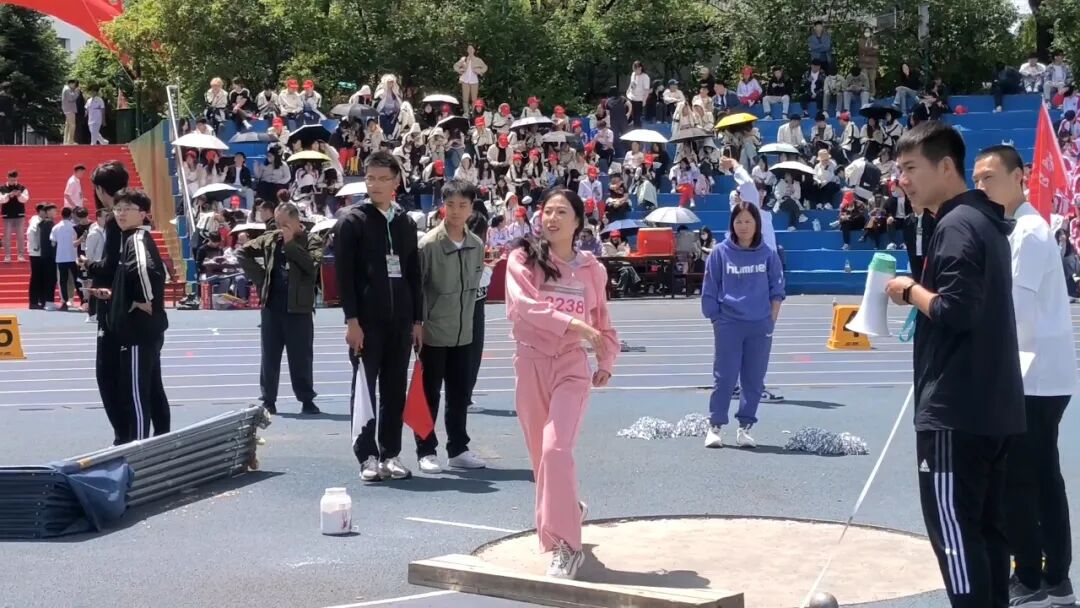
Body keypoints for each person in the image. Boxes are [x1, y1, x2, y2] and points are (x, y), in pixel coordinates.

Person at [884, 122, 1025, 608]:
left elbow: (956, 310)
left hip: (955, 411)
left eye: (910, 168)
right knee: (987, 533)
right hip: (992, 407)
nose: (902, 180)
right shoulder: (984, 221)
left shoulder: (958, 224)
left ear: (946, 167)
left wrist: (910, 291)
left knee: (956, 538)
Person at [972, 145, 1077, 608]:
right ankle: (1053, 578)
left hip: (1032, 375)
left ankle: (1033, 577)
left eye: (990, 177)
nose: (982, 186)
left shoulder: (1029, 232)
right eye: (978, 179)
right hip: (1038, 374)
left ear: (1020, 177)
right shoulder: (1017, 228)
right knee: (1041, 476)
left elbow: (1015, 310)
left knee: (1021, 479)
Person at [505, 188, 618, 579]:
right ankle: (569, 508)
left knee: (556, 450)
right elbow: (525, 307)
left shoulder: (592, 269)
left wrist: (606, 360)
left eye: (561, 212)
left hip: (571, 366)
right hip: (531, 364)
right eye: (547, 211)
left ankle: (568, 547)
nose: (551, 218)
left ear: (578, 222)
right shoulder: (522, 259)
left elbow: (601, 321)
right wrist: (574, 324)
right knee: (542, 459)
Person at [335, 151, 423, 482]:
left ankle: (390, 454)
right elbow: (344, 277)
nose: (375, 185)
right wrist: (352, 321)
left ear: (396, 181)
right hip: (366, 323)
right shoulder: (352, 222)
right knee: (364, 389)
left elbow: (414, 274)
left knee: (395, 389)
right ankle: (366, 456)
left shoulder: (405, 223)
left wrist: (417, 321)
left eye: (383, 178)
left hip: (400, 323)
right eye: (370, 178)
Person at [414, 180, 487, 474]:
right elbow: (416, 289)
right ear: (442, 206)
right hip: (433, 333)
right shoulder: (428, 245)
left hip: (464, 333)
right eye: (451, 204)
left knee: (459, 394)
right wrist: (417, 324)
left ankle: (458, 449)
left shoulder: (476, 245)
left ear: (471, 208)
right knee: (429, 395)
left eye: (463, 205)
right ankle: (425, 450)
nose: (456, 211)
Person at [701, 202, 783, 450]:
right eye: (739, 221)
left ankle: (745, 428)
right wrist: (716, 318)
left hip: (760, 325)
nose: (743, 226)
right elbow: (710, 288)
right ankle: (715, 426)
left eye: (748, 221)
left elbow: (777, 290)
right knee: (724, 377)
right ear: (732, 224)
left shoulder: (768, 254)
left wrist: (770, 321)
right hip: (729, 323)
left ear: (757, 224)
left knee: (754, 379)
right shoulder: (720, 253)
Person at [237, 203, 324, 416]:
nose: (280, 227)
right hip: (272, 308)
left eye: (285, 223)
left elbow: (311, 266)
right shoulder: (270, 239)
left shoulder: (312, 240)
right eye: (277, 223)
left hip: (299, 310)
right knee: (270, 356)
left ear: (296, 220)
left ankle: (306, 399)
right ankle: (268, 400)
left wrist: (291, 243)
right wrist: (261, 279)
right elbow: (242, 253)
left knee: (301, 357)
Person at [108, 188, 170, 442]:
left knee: (136, 393)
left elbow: (146, 269)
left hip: (137, 331)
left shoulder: (136, 239)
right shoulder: (133, 238)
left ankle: (139, 448)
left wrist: (144, 299)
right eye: (117, 208)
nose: (121, 214)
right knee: (153, 389)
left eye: (127, 209)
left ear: (143, 214)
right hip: (147, 330)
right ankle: (162, 441)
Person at [81, 161, 130, 445]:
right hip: (132, 304)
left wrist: (89, 265)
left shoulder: (114, 220)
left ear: (100, 190)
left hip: (113, 305)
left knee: (107, 374)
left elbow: (110, 266)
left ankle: (123, 436)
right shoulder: (133, 217)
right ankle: (146, 435)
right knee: (142, 376)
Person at [50, 207, 78, 311]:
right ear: (71, 215)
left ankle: (65, 302)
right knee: (77, 279)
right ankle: (84, 301)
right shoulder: (74, 227)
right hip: (73, 257)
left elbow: (53, 242)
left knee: (63, 281)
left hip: (61, 257)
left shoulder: (56, 227)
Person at [84, 208, 107, 322]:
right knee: (94, 289)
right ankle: (91, 314)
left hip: (105, 264)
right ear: (98, 218)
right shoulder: (94, 233)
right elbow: (89, 251)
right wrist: (90, 265)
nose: (107, 219)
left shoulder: (107, 231)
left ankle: (101, 312)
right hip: (96, 265)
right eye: (105, 216)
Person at [1, 171, 28, 262]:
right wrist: (9, 195)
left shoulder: (22, 187)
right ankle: (7, 256)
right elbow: (1, 200)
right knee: (7, 236)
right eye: (11, 179)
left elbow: (25, 199)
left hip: (19, 214)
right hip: (7, 214)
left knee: (20, 236)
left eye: (14, 179)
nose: (13, 181)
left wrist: (19, 195)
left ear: (17, 178)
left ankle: (21, 255)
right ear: (7, 178)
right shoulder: (2, 188)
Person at [453, 45, 488, 109]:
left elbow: (485, 67)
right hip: (465, 80)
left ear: (474, 50)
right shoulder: (464, 59)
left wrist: (479, 71)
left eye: (471, 49)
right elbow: (455, 66)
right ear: (467, 50)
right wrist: (460, 70)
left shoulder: (478, 60)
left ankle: (474, 112)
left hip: (474, 81)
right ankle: (466, 112)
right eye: (469, 49)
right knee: (465, 99)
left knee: (474, 99)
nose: (470, 50)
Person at [626, 61, 650, 127]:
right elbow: (631, 84)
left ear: (640, 68)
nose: (634, 71)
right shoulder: (633, 74)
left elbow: (646, 90)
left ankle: (638, 129)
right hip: (631, 97)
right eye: (633, 69)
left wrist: (644, 101)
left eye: (635, 69)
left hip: (639, 99)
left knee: (637, 118)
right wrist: (627, 91)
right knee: (630, 115)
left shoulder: (645, 77)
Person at [61, 79, 79, 145]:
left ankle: (66, 140)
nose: (75, 86)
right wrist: (76, 93)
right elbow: (71, 99)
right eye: (74, 85)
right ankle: (70, 141)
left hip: (67, 109)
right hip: (69, 109)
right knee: (72, 125)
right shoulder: (67, 89)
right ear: (71, 83)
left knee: (68, 125)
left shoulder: (66, 89)